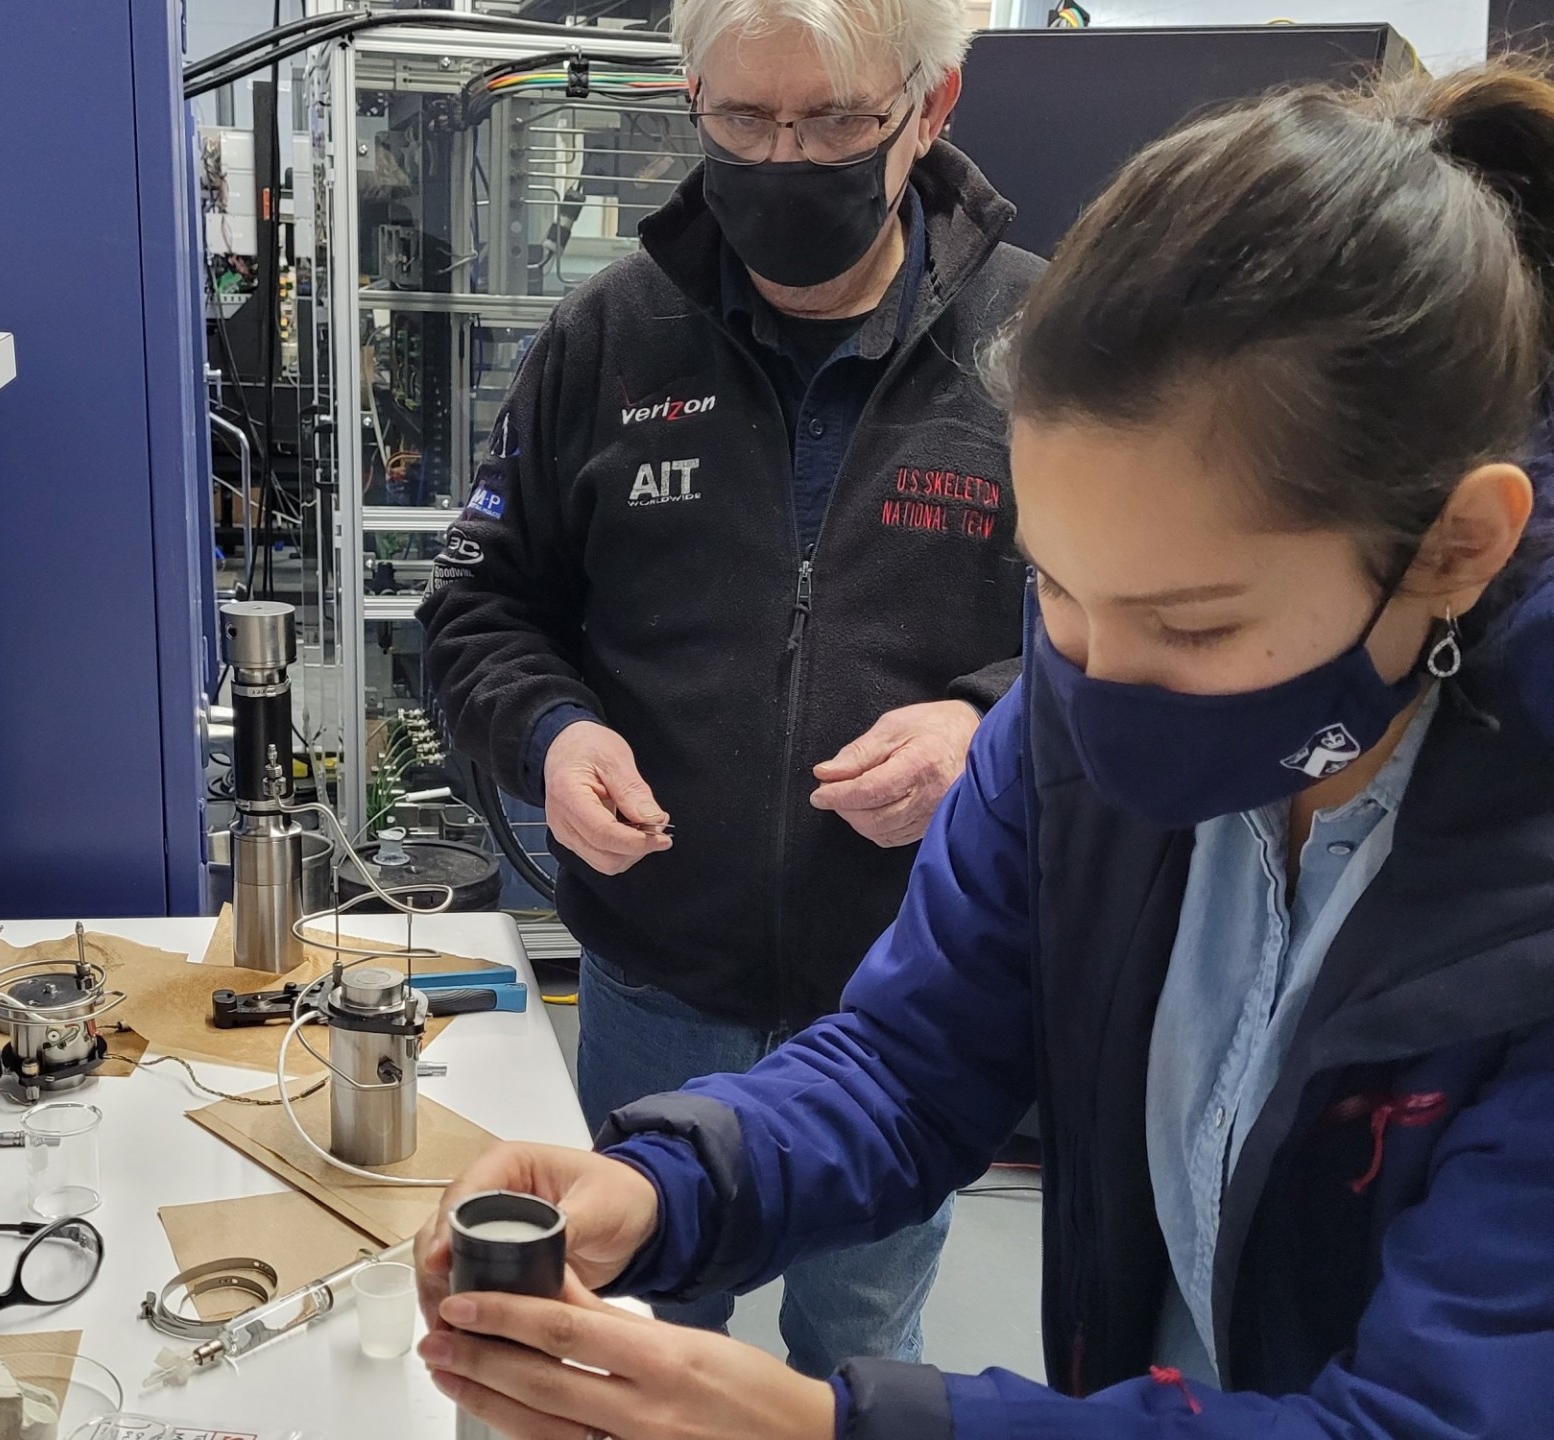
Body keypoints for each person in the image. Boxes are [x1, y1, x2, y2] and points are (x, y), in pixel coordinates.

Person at [412, 60, 1554, 1440]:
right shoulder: (1066, 721)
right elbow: (909, 1066)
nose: (1093, 683)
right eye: (1058, 592)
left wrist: (827, 1428)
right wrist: (671, 1185)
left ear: (1455, 545)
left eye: (1187, 622)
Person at [418, 0, 1041, 1375]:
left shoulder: (1045, 347)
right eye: (741, 119)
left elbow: (1124, 646)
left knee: (860, 1339)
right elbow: (476, 606)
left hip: (909, 994)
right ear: (691, 97)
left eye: (830, 121)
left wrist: (986, 727)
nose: (780, 155)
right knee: (634, 1329)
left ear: (929, 111)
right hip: (658, 978)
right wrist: (554, 729)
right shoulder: (608, 338)